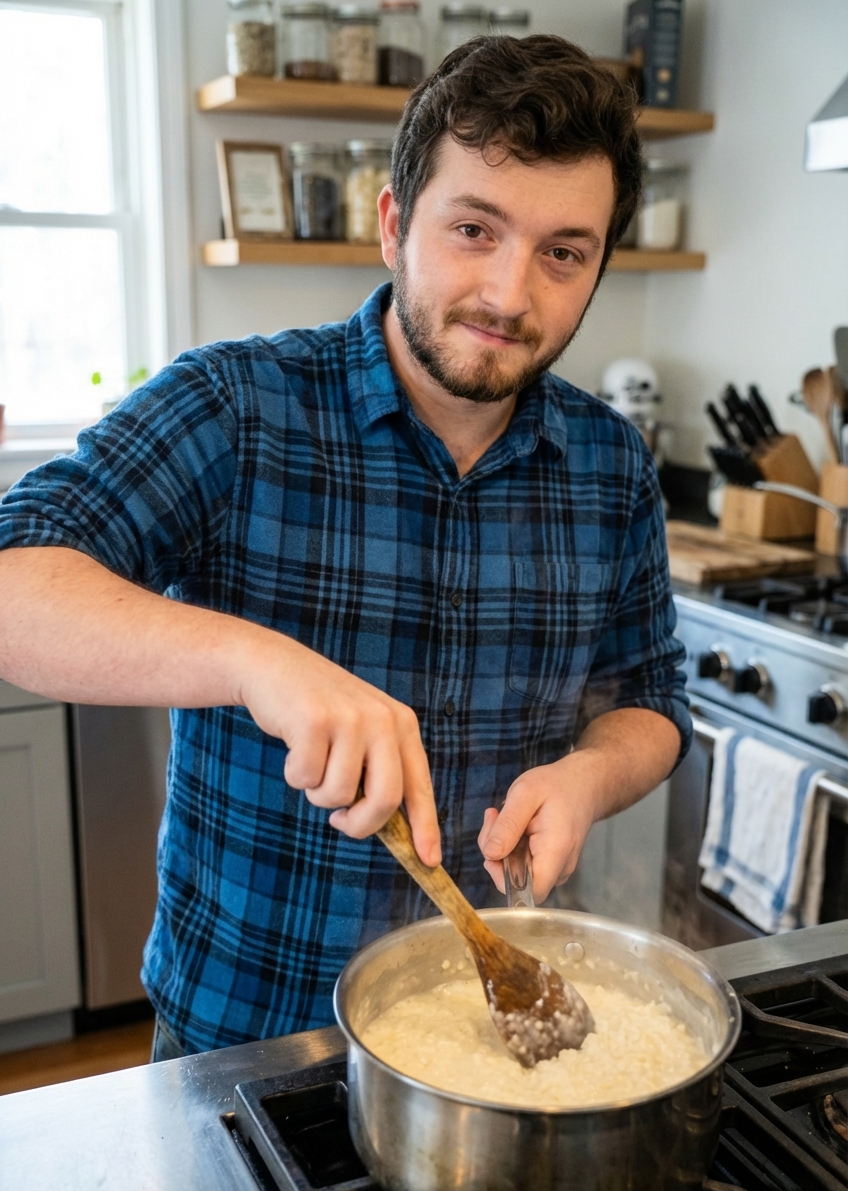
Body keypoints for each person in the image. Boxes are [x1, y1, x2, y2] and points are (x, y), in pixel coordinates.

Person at [0, 35, 690, 1059]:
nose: (509, 294)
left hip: (492, 1034)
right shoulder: (235, 405)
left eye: (561, 252)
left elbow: (650, 699)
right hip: (248, 1038)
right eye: (471, 229)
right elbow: (17, 585)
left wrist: (588, 775)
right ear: (392, 225)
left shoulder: (609, 462)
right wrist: (252, 659)